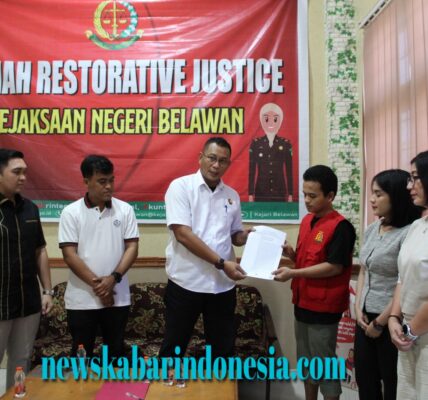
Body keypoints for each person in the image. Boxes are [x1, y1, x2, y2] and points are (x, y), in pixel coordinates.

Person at [159, 137, 251, 360]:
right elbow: (183, 234)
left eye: (223, 161)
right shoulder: (181, 187)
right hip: (186, 283)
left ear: (229, 164)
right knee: (173, 350)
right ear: (200, 158)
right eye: (212, 158)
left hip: (222, 286)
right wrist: (221, 263)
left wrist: (246, 237)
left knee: (222, 354)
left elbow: (234, 236)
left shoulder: (231, 195)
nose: (216, 165)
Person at [273, 165, 356, 400]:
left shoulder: (341, 227)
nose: (307, 201)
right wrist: (292, 254)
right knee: (306, 363)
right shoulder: (307, 221)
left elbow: (334, 266)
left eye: (313, 196)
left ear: (330, 196)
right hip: (302, 303)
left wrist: (293, 273)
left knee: (324, 365)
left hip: (324, 308)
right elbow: (307, 260)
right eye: (304, 195)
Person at [58, 155, 139, 361]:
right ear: (86, 181)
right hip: (82, 300)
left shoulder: (125, 210)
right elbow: (69, 255)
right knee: (81, 358)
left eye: (111, 180)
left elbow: (132, 248)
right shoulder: (70, 212)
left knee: (115, 356)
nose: (109, 186)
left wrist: (113, 279)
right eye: (102, 181)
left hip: (117, 297)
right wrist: (101, 288)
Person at [354, 169, 421, 400]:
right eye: (372, 193)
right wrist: (357, 307)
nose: (372, 199)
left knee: (392, 382)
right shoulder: (374, 228)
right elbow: (364, 269)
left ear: (397, 197)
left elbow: (404, 282)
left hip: (391, 320)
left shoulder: (410, 232)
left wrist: (380, 322)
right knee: (365, 381)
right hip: (364, 318)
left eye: (379, 194)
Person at [0, 148, 53, 388]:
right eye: (16, 172)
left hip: (28, 302)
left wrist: (47, 291)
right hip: (0, 302)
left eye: (25, 172)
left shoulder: (30, 208)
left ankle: (16, 395)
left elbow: (40, 250)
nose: (23, 177)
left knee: (21, 360)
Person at [388, 150, 428, 399]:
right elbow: (402, 278)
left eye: (415, 177)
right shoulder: (416, 226)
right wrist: (394, 318)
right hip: (407, 335)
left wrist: (411, 331)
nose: (409, 186)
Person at [248, 102, 293, 202]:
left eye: (275, 119)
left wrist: (290, 193)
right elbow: (252, 171)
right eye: (266, 119)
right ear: (261, 121)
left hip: (279, 191)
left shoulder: (285, 144)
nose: (271, 123)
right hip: (261, 191)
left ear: (280, 121)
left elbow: (289, 171)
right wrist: (250, 194)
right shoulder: (256, 144)